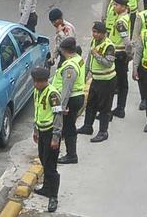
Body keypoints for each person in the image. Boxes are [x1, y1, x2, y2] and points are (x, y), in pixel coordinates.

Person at [78, 21, 117, 143]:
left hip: (107, 81)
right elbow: (89, 60)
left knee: (105, 108)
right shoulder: (93, 42)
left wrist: (97, 55)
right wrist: (84, 76)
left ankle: (103, 132)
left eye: (96, 32)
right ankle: (87, 126)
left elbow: (108, 63)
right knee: (91, 104)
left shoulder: (109, 46)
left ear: (103, 34)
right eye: (93, 31)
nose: (94, 34)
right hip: (96, 79)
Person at [32, 65, 62, 213]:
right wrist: (35, 129)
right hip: (42, 132)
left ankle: (53, 197)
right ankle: (46, 188)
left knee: (51, 167)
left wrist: (55, 138)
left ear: (43, 81)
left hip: (51, 133)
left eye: (37, 81)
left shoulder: (53, 94)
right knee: (43, 160)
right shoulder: (37, 92)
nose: (34, 84)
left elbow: (58, 116)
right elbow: (37, 110)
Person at [52, 36, 86, 164]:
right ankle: (69, 152)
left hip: (71, 99)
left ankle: (71, 155)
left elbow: (67, 89)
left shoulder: (70, 66)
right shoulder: (78, 58)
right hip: (77, 96)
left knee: (68, 127)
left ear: (65, 50)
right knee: (69, 125)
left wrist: (62, 106)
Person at [107, 0, 133, 118]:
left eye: (116, 5)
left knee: (117, 84)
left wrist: (129, 54)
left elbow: (126, 40)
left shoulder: (120, 22)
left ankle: (114, 110)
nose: (113, 6)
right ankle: (119, 109)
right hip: (120, 54)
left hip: (118, 55)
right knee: (121, 83)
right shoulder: (124, 17)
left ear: (123, 7)